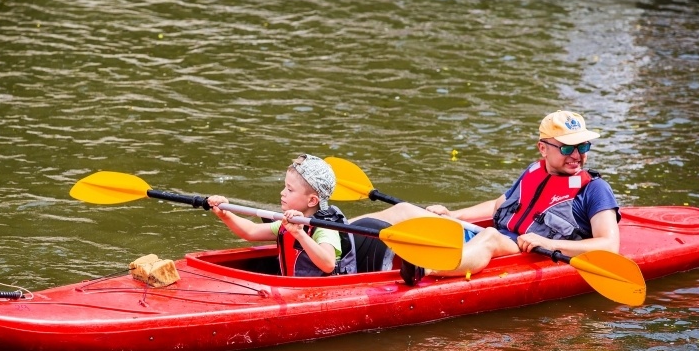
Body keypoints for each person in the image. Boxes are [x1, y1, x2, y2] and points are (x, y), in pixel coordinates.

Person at [351, 110, 620, 285]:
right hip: (506, 238)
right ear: (543, 148)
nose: (577, 155)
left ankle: (425, 268)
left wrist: (545, 242)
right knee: (405, 210)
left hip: (527, 252)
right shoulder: (534, 172)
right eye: (568, 147)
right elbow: (499, 205)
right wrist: (453, 215)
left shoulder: (594, 189)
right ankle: (328, 229)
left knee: (489, 237)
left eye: (583, 146)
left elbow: (609, 246)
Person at [207, 154, 357, 277]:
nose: (282, 193)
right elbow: (251, 231)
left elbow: (328, 264)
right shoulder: (289, 222)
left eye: (290, 190)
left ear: (312, 200)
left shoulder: (324, 228)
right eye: (285, 186)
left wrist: (299, 234)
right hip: (292, 290)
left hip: (318, 295)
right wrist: (225, 215)